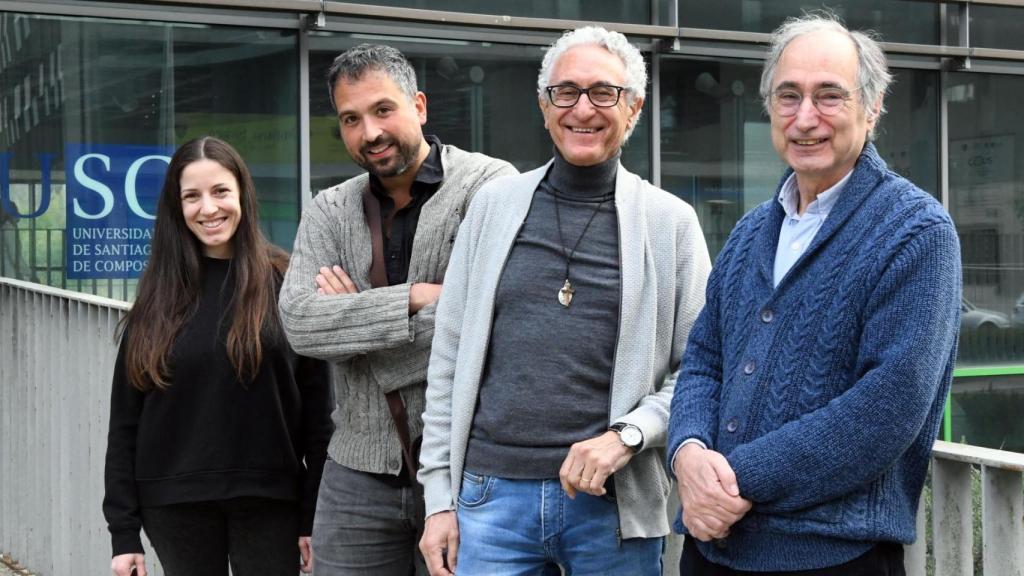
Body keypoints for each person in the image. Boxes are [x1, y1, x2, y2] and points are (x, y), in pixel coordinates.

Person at [666, 12, 962, 575]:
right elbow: (703, 360)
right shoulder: (752, 230)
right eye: (788, 96)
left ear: (872, 108)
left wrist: (732, 480)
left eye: (829, 96)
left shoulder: (916, 232)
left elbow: (889, 405)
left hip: (832, 558)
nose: (806, 118)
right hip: (711, 550)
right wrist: (686, 454)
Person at [418, 26, 711, 576]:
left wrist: (628, 436)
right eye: (566, 91)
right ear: (544, 105)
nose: (583, 108)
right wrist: (438, 498)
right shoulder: (492, 207)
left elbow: (699, 372)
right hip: (489, 503)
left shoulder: (671, 223)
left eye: (603, 92)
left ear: (634, 107)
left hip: (612, 509)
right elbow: (449, 359)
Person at [278, 44, 516, 575]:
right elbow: (297, 322)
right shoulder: (329, 209)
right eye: (351, 119)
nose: (370, 133)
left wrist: (354, 325)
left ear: (420, 106)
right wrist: (415, 297)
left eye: (383, 110)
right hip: (356, 469)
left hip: (468, 466)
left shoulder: (489, 186)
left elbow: (494, 318)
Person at [103, 136, 333, 576]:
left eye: (220, 191)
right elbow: (125, 424)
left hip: (271, 503)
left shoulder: (286, 285)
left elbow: (319, 418)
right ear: (177, 206)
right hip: (174, 504)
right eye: (192, 196)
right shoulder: (157, 299)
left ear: (242, 193)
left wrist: (312, 516)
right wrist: (123, 532)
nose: (208, 208)